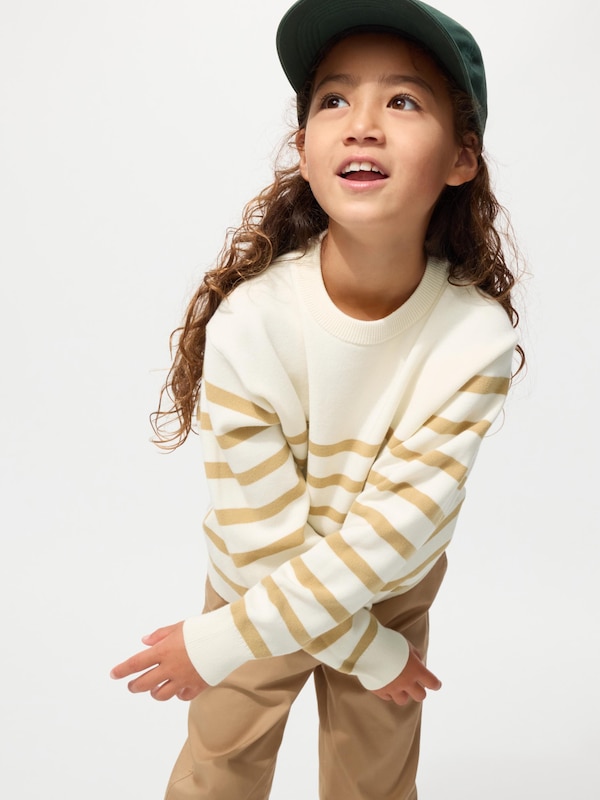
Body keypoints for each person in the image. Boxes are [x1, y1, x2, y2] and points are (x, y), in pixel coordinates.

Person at [111, 0, 525, 797]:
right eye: (334, 99)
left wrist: (222, 642)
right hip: (254, 580)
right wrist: (366, 653)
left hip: (387, 586)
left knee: (374, 778)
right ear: (304, 150)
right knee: (219, 768)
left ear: (461, 158)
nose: (362, 125)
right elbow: (258, 536)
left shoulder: (473, 340)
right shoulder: (253, 323)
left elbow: (394, 536)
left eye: (402, 100)